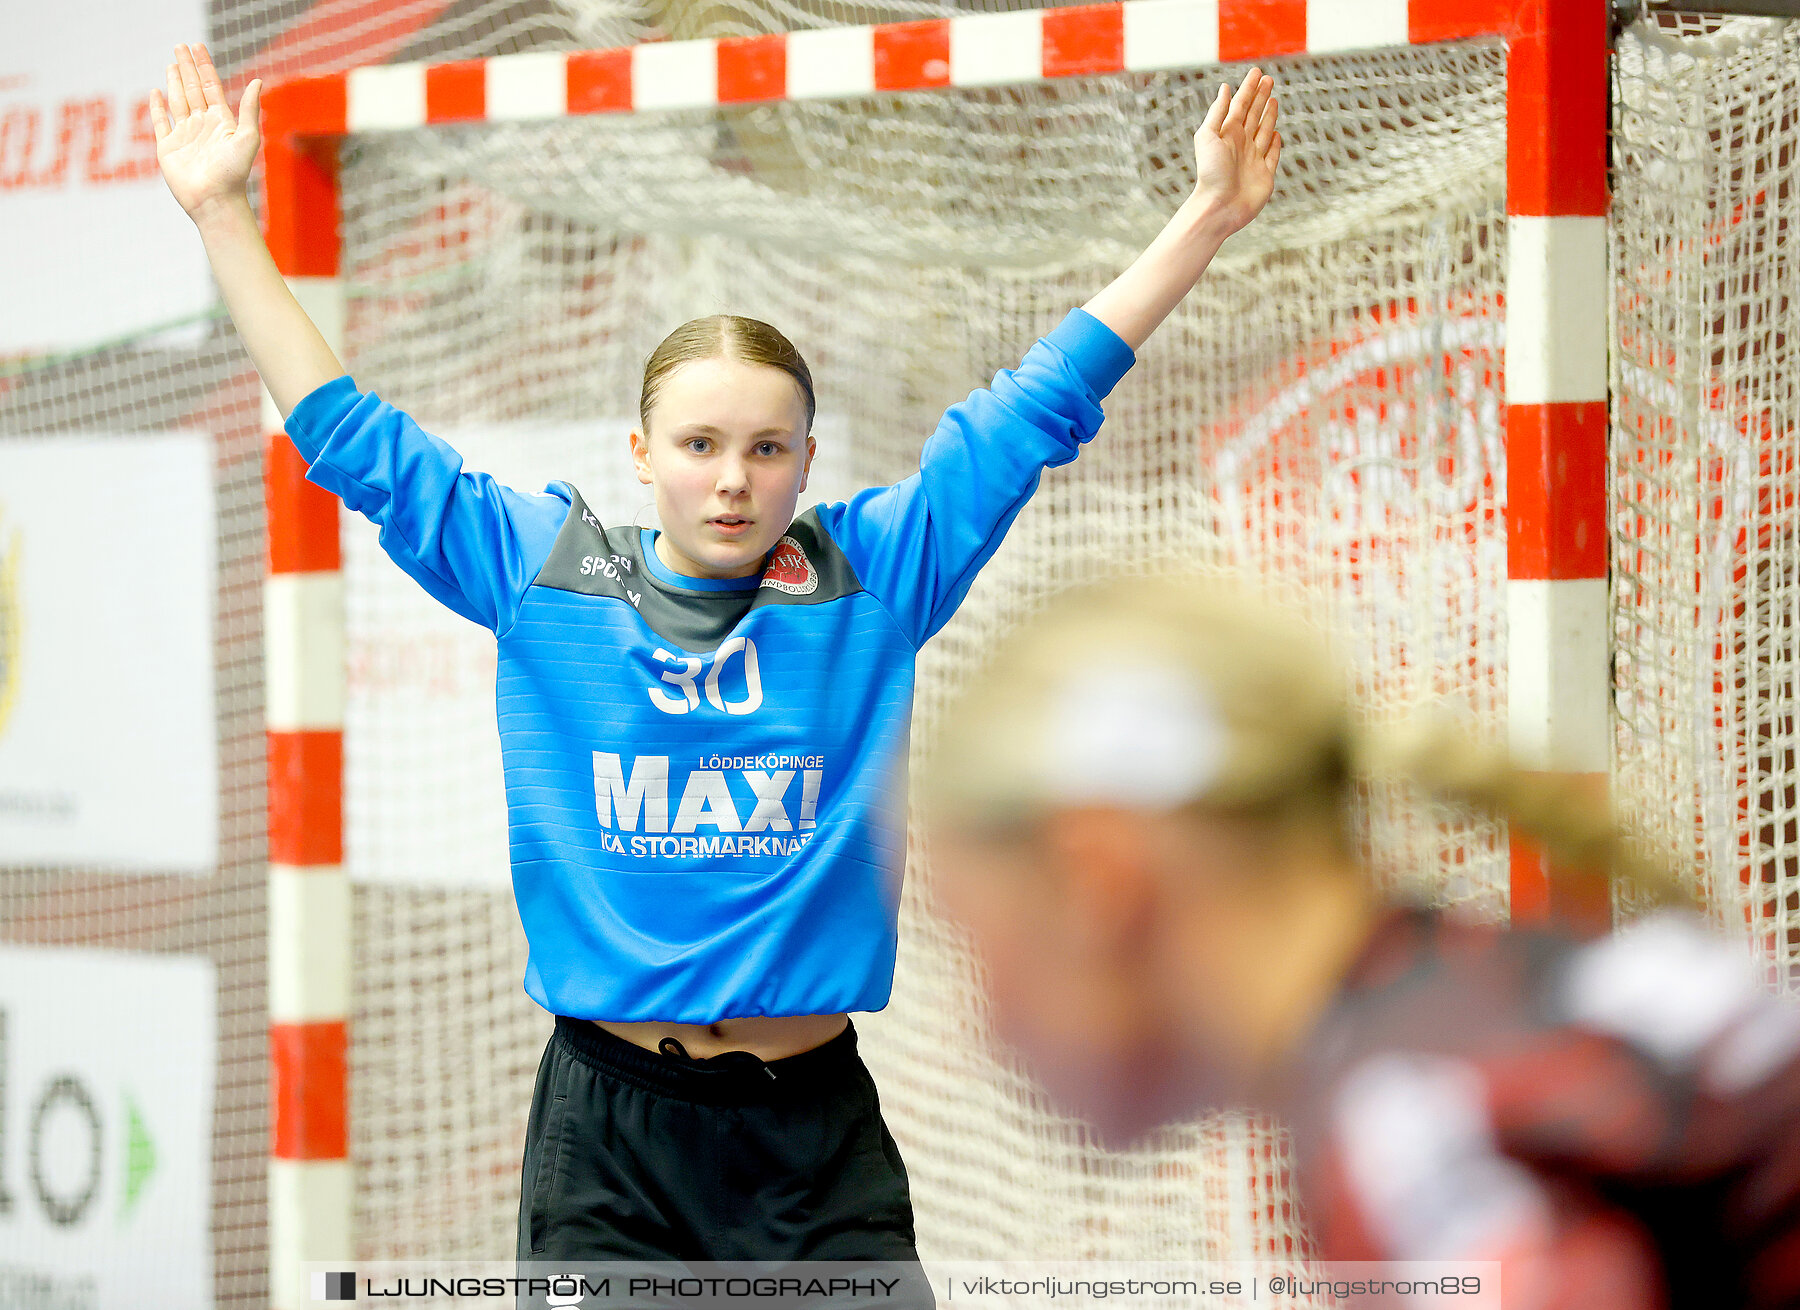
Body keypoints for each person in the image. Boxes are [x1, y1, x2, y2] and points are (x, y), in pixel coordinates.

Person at [150, 40, 1286, 1271]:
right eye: (699, 442)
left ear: (808, 460)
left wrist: (1206, 216)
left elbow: (1032, 410)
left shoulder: (871, 577)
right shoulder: (546, 572)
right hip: (609, 1139)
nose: (732, 477)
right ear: (641, 453)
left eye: (765, 447)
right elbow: (350, 437)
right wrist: (220, 212)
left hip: (814, 1134)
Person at [921, 570, 1800, 1309]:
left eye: (979, 951)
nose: (984, 1029)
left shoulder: (1412, 1123)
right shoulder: (1482, 996)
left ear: (1097, 880)